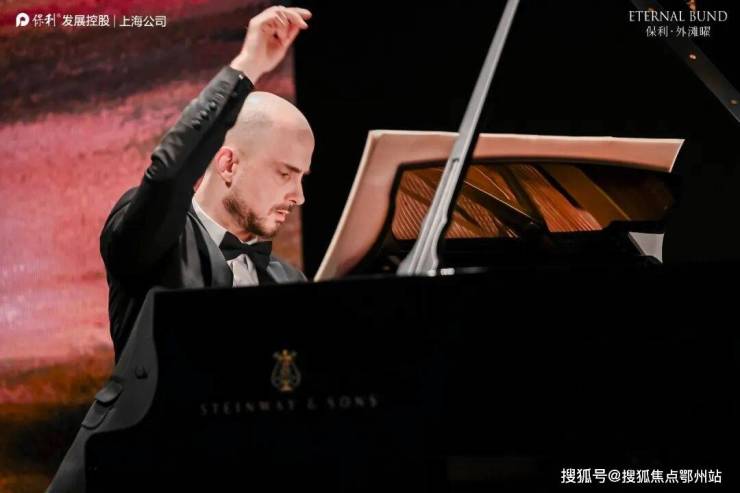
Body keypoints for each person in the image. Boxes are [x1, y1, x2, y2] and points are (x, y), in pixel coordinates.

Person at [100, 5, 314, 360]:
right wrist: (248, 65)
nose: (299, 196)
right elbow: (169, 174)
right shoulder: (156, 243)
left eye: (301, 177)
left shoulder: (290, 281)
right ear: (228, 164)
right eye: (285, 174)